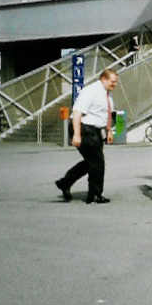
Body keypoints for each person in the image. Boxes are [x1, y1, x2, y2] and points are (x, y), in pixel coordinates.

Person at [55, 69, 118, 204]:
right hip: (84, 128)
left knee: (91, 162)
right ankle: (95, 194)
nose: (115, 84)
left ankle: (65, 182)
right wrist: (77, 135)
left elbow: (107, 114)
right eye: (113, 81)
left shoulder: (107, 95)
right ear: (104, 79)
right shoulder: (91, 91)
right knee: (98, 163)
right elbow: (77, 112)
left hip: (95, 131)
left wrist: (109, 131)